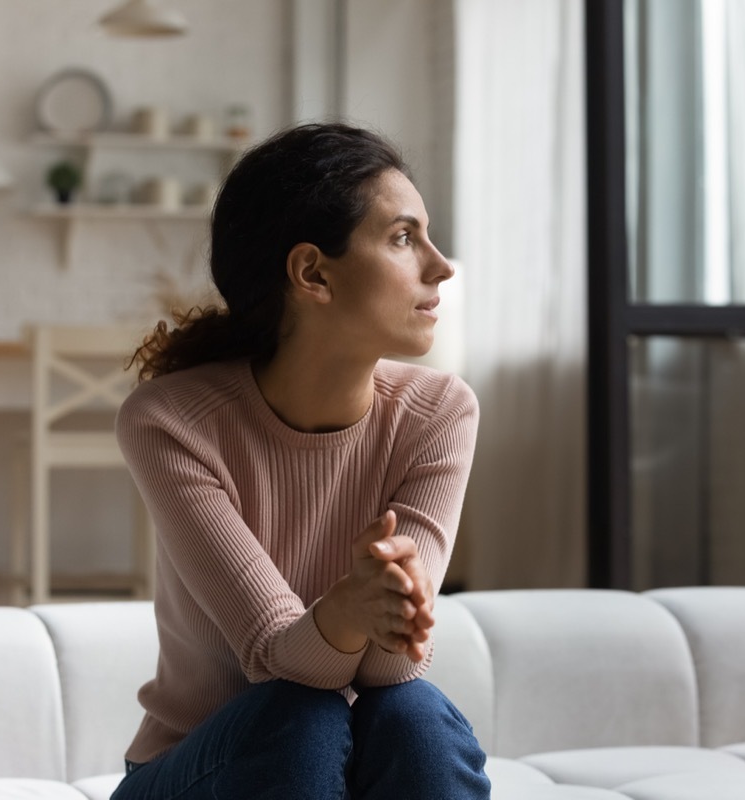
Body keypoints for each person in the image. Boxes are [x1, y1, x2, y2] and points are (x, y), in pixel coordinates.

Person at [111, 121, 490, 799]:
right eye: (404, 237)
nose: (441, 266)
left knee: (416, 716)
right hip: (199, 771)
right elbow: (275, 661)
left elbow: (393, 669)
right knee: (301, 715)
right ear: (313, 272)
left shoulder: (441, 413)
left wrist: (381, 613)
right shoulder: (170, 421)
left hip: (333, 754)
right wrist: (351, 608)